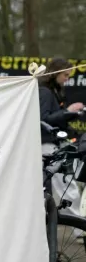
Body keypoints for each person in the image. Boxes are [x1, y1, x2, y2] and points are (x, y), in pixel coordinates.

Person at [40, 58, 84, 217]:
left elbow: (54, 118)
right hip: (47, 145)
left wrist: (71, 114)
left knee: (56, 185)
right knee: (65, 183)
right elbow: (43, 119)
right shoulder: (45, 92)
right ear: (55, 73)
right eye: (65, 75)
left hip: (51, 144)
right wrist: (68, 111)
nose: (67, 78)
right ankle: (77, 224)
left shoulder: (54, 91)